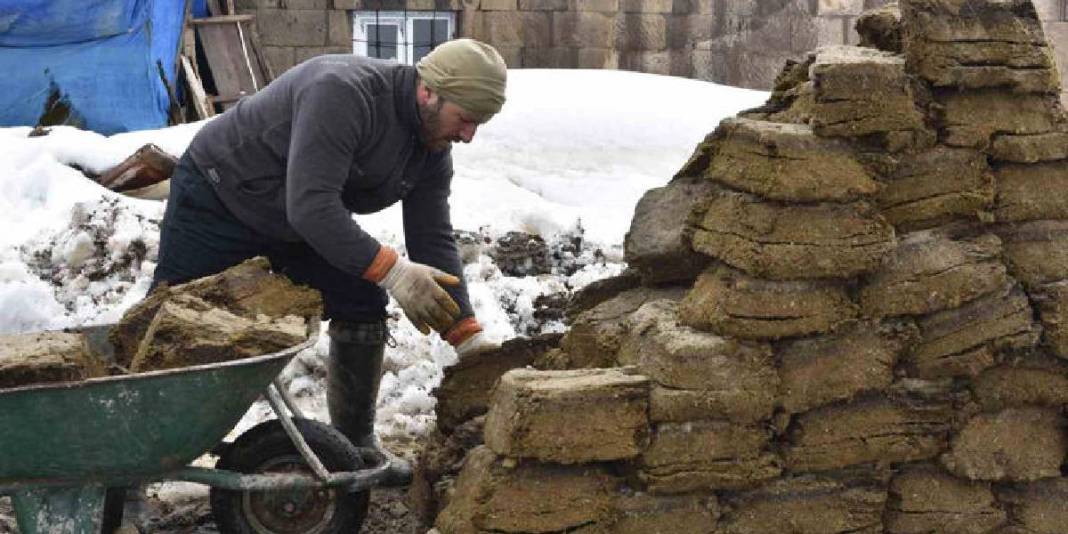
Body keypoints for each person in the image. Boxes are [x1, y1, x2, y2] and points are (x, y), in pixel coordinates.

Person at [151, 39, 507, 482]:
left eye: (479, 125)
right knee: (169, 326)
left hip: (291, 223)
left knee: (360, 297)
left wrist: (465, 333)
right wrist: (393, 271)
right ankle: (127, 476)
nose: (468, 136)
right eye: (466, 119)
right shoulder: (342, 93)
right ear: (427, 93)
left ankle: (353, 447)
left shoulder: (430, 148)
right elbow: (313, 207)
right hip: (219, 199)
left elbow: (431, 238)